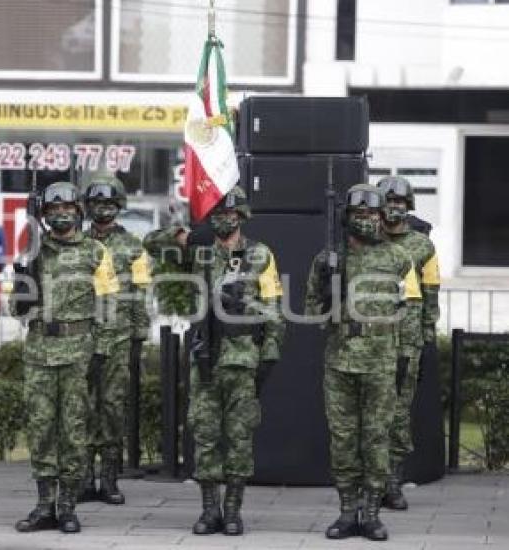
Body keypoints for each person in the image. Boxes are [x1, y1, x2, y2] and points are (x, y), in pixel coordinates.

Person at [143, 186, 285, 536]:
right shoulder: (200, 252)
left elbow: (275, 309)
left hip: (244, 358)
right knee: (205, 436)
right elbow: (150, 243)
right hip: (205, 358)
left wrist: (269, 355)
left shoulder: (260, 254)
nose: (224, 219)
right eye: (218, 215)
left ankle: (233, 512)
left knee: (239, 439)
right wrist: (184, 234)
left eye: (230, 214)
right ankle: (210, 511)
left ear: (241, 217)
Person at [305, 184, 422, 542]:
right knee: (342, 440)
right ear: (347, 218)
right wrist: (328, 291)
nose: (367, 220)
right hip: (340, 363)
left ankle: (370, 513)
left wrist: (406, 354)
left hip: (382, 362)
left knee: (376, 438)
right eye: (359, 214)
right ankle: (346, 511)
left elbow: (410, 310)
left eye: (372, 214)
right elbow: (311, 313)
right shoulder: (328, 260)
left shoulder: (399, 258)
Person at [12, 181, 119, 534]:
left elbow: (109, 305)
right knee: (41, 429)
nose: (61, 215)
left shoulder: (95, 252)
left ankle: (68, 506)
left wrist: (101, 351)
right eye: (53, 211)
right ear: (44, 215)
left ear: (78, 212)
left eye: (68, 210)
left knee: (74, 431)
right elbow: (16, 309)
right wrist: (22, 281)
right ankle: (44, 505)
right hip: (40, 351)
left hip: (77, 354)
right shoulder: (34, 251)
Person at [79, 176, 151, 505]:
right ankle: (82, 478)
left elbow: (140, 295)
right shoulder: (76, 244)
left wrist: (139, 338)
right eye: (97, 204)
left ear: (118, 207)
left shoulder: (134, 247)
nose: (102, 210)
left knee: (111, 407)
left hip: (119, 338)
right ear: (88, 207)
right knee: (81, 406)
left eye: (109, 205)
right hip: (82, 338)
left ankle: (108, 479)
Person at [377, 176, 441, 511]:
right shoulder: (366, 241)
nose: (393, 208)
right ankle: (369, 481)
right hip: (371, 340)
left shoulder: (423, 245)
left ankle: (392, 481)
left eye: (399, 203)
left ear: (409, 206)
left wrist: (426, 339)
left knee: (399, 412)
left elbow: (430, 297)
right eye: (388, 202)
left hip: (407, 342)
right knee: (370, 412)